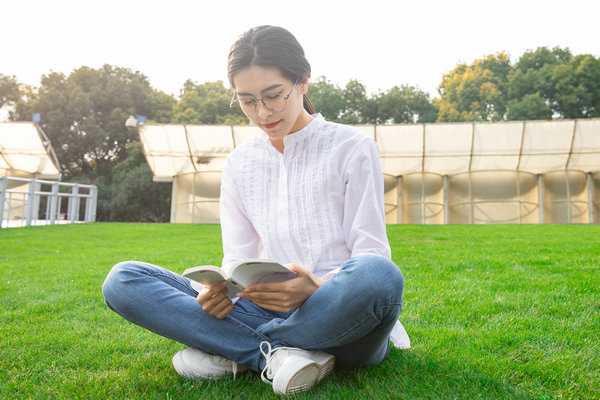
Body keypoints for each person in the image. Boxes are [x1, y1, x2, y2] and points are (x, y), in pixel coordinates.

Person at [102, 25, 409, 396]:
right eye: (247, 100)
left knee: (379, 276)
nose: (262, 112)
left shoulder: (353, 148)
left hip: (339, 312)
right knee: (124, 280)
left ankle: (233, 349)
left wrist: (314, 288)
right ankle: (273, 355)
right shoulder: (239, 164)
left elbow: (371, 253)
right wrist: (218, 291)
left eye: (274, 96)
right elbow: (237, 261)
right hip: (262, 307)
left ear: (303, 82)